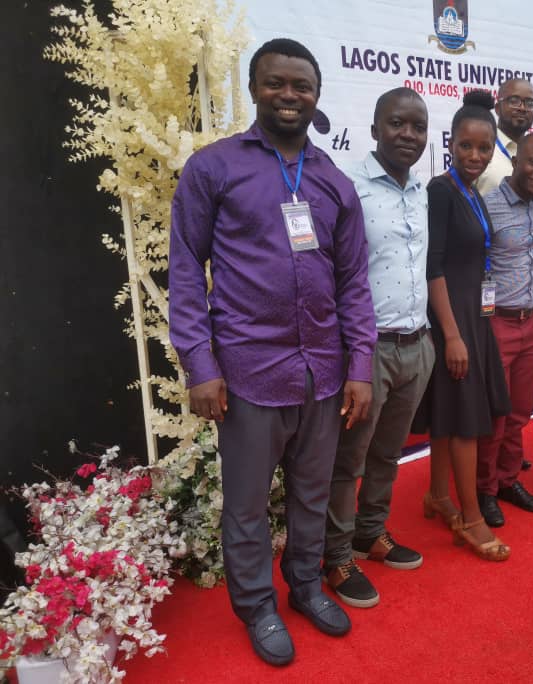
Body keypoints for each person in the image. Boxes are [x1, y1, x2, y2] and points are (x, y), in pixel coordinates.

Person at [169, 39, 375, 666]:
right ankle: (258, 607)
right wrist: (200, 365)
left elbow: (354, 283)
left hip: (323, 374)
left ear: (317, 96)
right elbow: (186, 270)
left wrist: (360, 367)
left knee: (313, 495)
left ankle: (306, 586)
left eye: (301, 86)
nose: (289, 95)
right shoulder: (214, 168)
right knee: (248, 504)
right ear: (255, 89)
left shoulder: (333, 182)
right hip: (248, 371)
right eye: (276, 83)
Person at [322, 88, 434, 609]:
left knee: (389, 452)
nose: (408, 134)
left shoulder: (423, 191)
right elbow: (332, 272)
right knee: (349, 459)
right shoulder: (348, 188)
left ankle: (370, 532)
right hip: (367, 350)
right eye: (397, 123)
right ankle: (335, 554)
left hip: (417, 343)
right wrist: (352, 356)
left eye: (418, 126)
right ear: (374, 129)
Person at [416, 90, 511, 561]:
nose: (475, 155)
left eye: (484, 147)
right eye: (467, 146)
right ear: (451, 143)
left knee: (449, 413)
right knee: (466, 422)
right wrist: (451, 335)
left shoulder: (472, 192)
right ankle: (472, 520)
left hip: (475, 317)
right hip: (452, 321)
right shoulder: (440, 191)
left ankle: (438, 494)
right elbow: (432, 268)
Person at [475, 133, 533, 527]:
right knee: (495, 414)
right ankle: (484, 489)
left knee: (520, 413)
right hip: (496, 323)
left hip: (531, 322)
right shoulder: (486, 206)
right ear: (515, 161)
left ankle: (508, 480)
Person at [475, 78, 533, 197]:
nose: (522, 108)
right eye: (514, 101)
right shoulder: (479, 148)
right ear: (497, 108)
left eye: (530, 103)